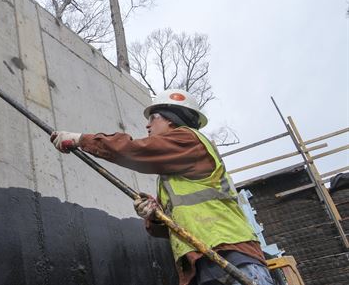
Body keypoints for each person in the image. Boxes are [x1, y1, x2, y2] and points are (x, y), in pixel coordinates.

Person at [50, 89, 274, 285]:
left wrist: (82, 139)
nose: (147, 124)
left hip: (233, 258)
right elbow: (174, 228)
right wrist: (155, 216)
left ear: (171, 118)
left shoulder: (189, 140)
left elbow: (134, 151)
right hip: (206, 264)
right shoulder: (175, 174)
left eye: (153, 117)